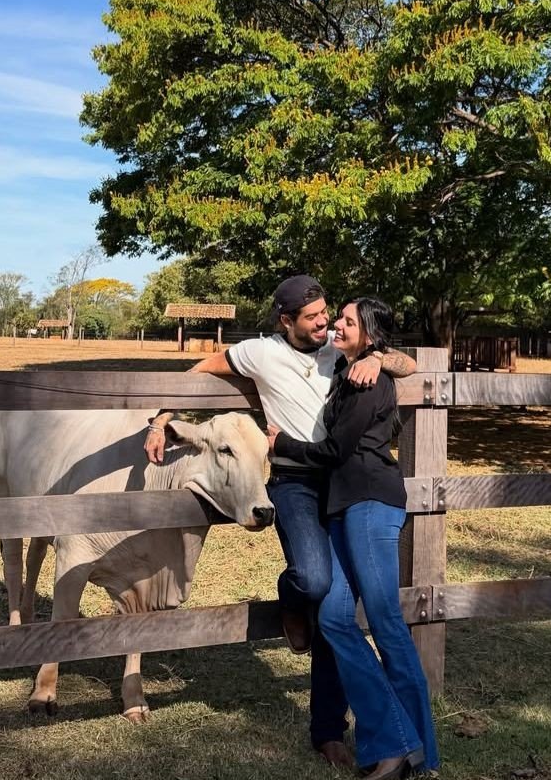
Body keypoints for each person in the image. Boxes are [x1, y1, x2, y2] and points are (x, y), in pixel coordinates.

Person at [143, 275, 417, 769]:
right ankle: (292, 596)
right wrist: (163, 417)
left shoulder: (340, 351)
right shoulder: (259, 353)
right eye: (313, 318)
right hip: (292, 482)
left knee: (336, 607)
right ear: (285, 321)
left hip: (337, 483)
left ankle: (328, 730)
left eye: (329, 315)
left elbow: (408, 362)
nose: (326, 325)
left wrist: (377, 357)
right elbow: (202, 368)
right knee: (313, 581)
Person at [267, 297, 439, 780]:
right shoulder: (347, 372)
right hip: (342, 509)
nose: (336, 325)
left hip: (369, 502)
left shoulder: (370, 379)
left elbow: (336, 449)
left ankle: (415, 752)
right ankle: (396, 740)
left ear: (370, 335)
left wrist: (280, 444)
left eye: (347, 321)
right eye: (336, 318)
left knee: (385, 622)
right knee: (336, 618)